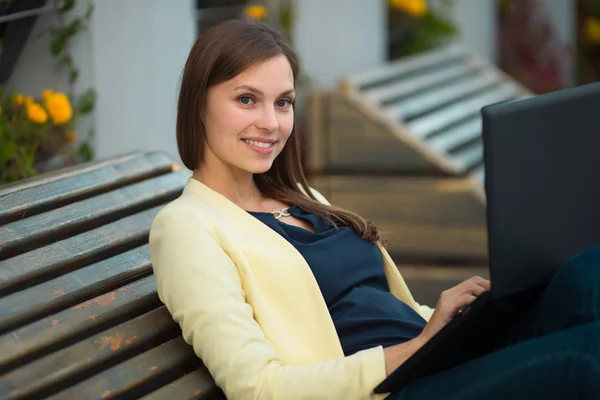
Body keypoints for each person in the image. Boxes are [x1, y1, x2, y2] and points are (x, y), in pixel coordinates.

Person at [149, 19, 600, 400]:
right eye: (246, 99)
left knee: (586, 272)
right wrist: (419, 346)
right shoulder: (187, 229)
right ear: (199, 105)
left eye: (283, 102)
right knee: (585, 358)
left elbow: (373, 306)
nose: (271, 122)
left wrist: (441, 321)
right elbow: (260, 387)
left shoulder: (297, 197)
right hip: (395, 388)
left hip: (433, 357)